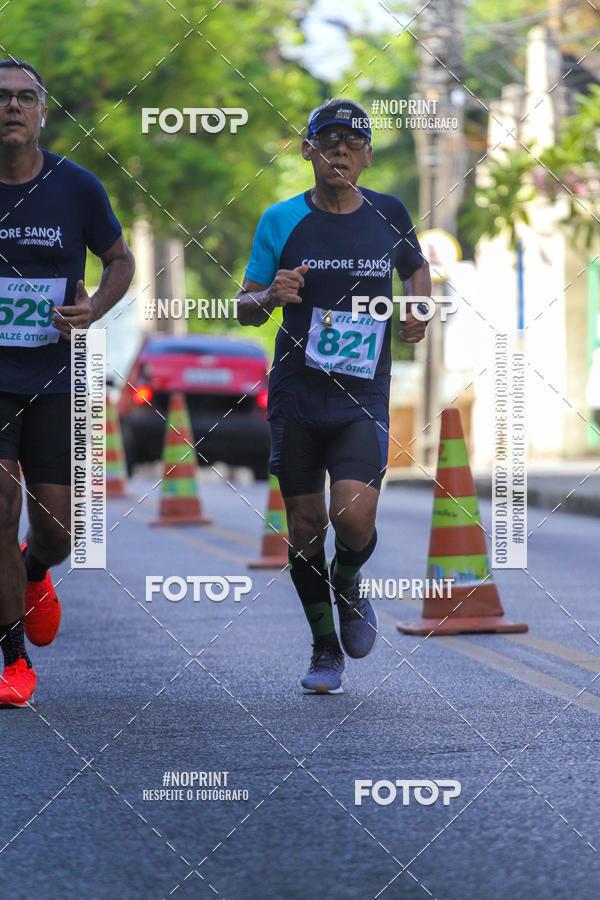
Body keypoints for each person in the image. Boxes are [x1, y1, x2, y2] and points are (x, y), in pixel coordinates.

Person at [237, 99, 431, 693]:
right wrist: (272, 294)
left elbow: (415, 269)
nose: (339, 150)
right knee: (303, 527)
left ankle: (347, 581)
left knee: (354, 514)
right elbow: (244, 308)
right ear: (308, 151)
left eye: (351, 142)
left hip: (362, 394)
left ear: (368, 155)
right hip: (297, 396)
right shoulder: (280, 220)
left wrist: (419, 306)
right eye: (328, 141)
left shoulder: (389, 212)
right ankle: (325, 648)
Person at [0, 59, 134, 706]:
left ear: (43, 113)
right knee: (0, 509)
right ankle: (13, 659)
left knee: (56, 531)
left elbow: (119, 259)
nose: (13, 107)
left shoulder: (74, 187)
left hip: (53, 379)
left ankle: (33, 573)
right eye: (2, 98)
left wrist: (93, 309)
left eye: (26, 98)